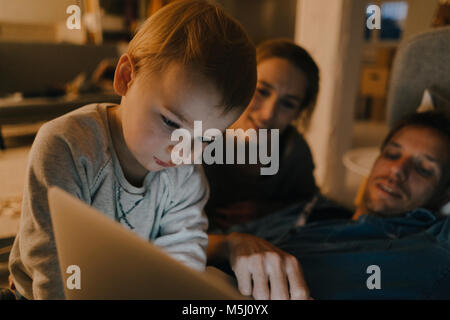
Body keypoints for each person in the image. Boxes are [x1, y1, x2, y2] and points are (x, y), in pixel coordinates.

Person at [7, 0, 257, 300]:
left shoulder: (187, 175)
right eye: (171, 123)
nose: (182, 151)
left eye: (204, 139)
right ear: (126, 77)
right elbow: (50, 262)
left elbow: (183, 256)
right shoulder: (66, 144)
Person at [224, 111, 450, 299]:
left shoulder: (435, 245)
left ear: (444, 194)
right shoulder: (312, 215)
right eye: (392, 154)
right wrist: (232, 244)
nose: (398, 170)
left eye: (424, 169)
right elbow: (198, 242)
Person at [205, 39, 352, 300]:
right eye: (262, 91)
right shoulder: (199, 138)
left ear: (298, 113)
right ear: (240, 82)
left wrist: (269, 208)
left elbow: (307, 203)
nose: (268, 114)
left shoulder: (293, 151)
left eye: (288, 104)